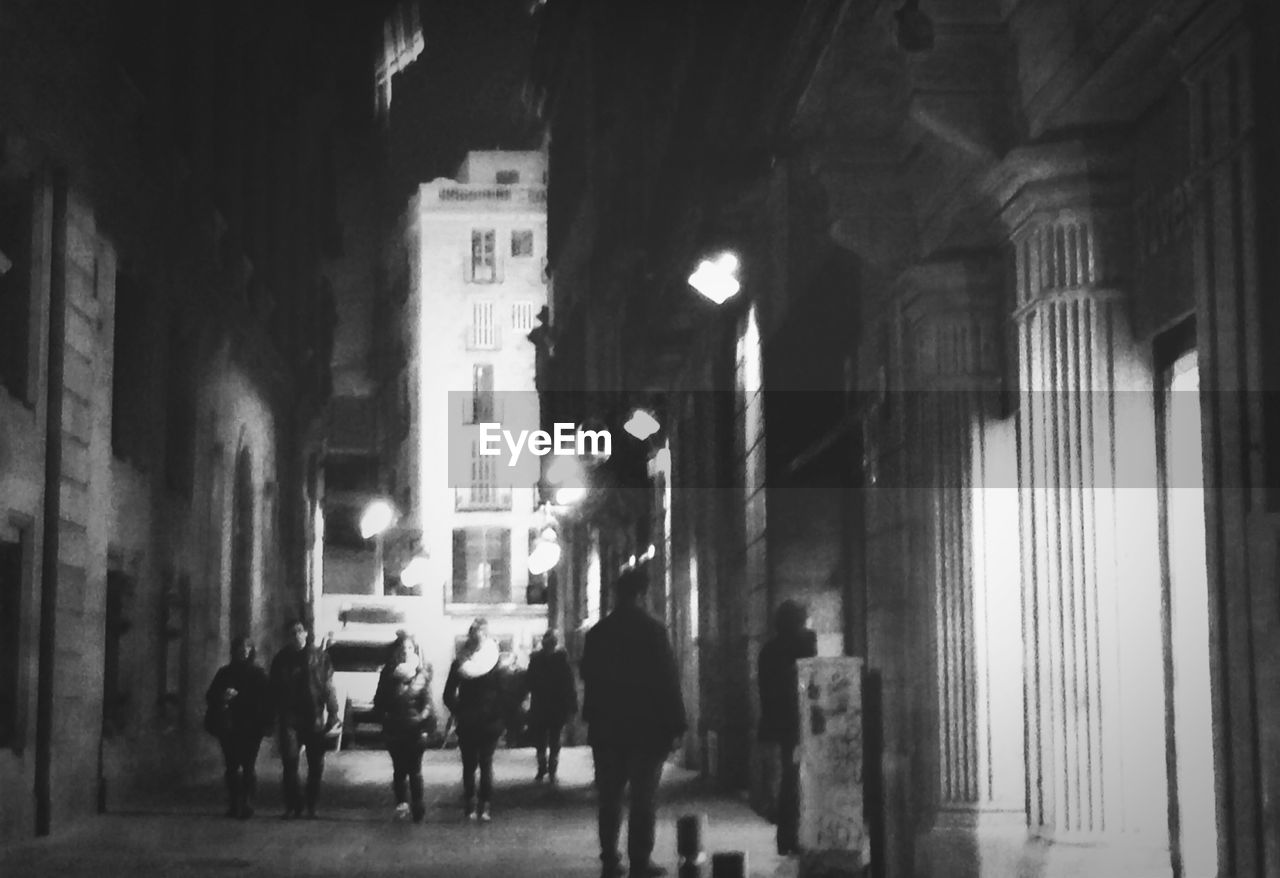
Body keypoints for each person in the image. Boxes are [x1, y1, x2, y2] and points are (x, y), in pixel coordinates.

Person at [581, 565, 687, 878]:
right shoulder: (653, 630)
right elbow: (667, 679)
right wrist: (676, 724)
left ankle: (610, 861)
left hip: (608, 729)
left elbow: (588, 675)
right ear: (643, 594)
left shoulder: (598, 633)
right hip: (646, 729)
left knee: (609, 798)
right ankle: (640, 860)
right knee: (643, 798)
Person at [757, 599, 818, 855]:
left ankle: (786, 838)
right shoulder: (802, 646)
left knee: (787, 782)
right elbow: (811, 679)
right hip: (797, 725)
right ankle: (793, 837)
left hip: (776, 725)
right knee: (795, 783)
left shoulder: (768, 650)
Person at [269, 619, 341, 819]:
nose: (296, 635)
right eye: (292, 632)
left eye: (299, 631)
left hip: (313, 715)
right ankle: (293, 804)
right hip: (289, 715)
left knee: (316, 763)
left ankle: (311, 803)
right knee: (290, 762)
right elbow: (273, 689)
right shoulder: (281, 659)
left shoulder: (319, 657)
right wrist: (271, 715)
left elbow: (328, 686)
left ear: (306, 633)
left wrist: (333, 712)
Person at [443, 617, 506, 822]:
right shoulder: (494, 663)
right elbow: (504, 693)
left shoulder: (461, 662)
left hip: (479, 721)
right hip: (481, 721)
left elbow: (448, 694)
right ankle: (479, 805)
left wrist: (459, 709)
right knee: (477, 764)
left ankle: (476, 805)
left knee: (477, 764)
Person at [204, 636, 272, 819]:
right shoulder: (225, 673)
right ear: (234, 650)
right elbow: (210, 695)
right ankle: (234, 802)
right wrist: (223, 697)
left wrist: (266, 723)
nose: (244, 651)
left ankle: (247, 802)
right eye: (241, 647)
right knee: (232, 765)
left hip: (251, 726)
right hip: (230, 725)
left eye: (247, 647)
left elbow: (267, 700)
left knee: (248, 765)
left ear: (251, 651)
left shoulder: (258, 674)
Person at [373, 631, 435, 823]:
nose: (406, 651)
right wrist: (386, 719)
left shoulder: (421, 673)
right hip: (395, 730)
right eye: (403, 648)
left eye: (409, 648)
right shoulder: (388, 674)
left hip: (416, 731)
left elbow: (428, 703)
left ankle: (418, 805)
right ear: (397, 651)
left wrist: (422, 721)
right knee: (399, 770)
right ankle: (402, 805)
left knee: (415, 770)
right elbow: (379, 701)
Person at [526, 629, 577, 783]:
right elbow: (569, 685)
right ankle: (551, 769)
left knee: (542, 739)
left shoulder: (536, 660)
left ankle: (543, 768)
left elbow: (529, 682)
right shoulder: (562, 660)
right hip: (556, 706)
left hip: (542, 705)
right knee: (554, 739)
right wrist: (571, 706)